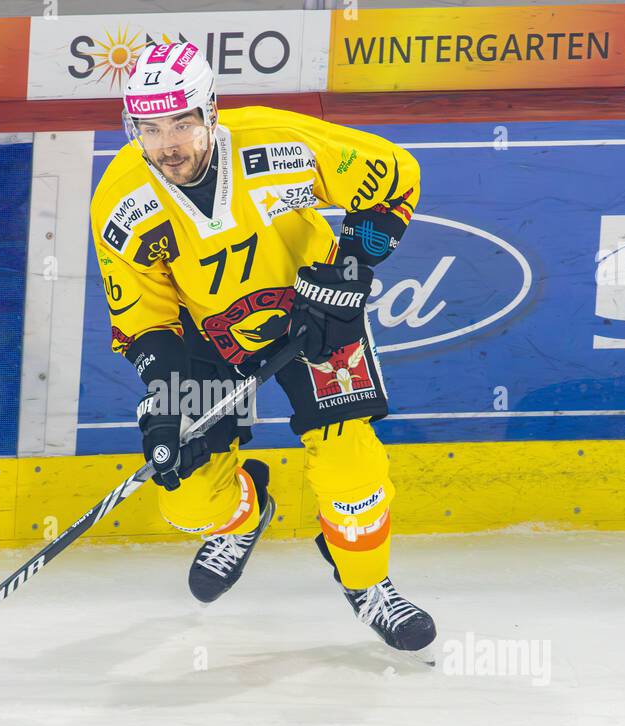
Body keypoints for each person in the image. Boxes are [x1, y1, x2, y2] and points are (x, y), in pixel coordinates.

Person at [89, 42, 435, 651]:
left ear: (211, 111)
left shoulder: (275, 144)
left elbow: (394, 176)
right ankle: (246, 513)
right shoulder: (121, 203)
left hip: (316, 313)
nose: (168, 143)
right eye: (149, 127)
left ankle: (367, 584)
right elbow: (145, 321)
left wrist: (349, 268)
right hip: (203, 339)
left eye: (181, 122)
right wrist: (166, 407)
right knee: (187, 496)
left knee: (353, 469)